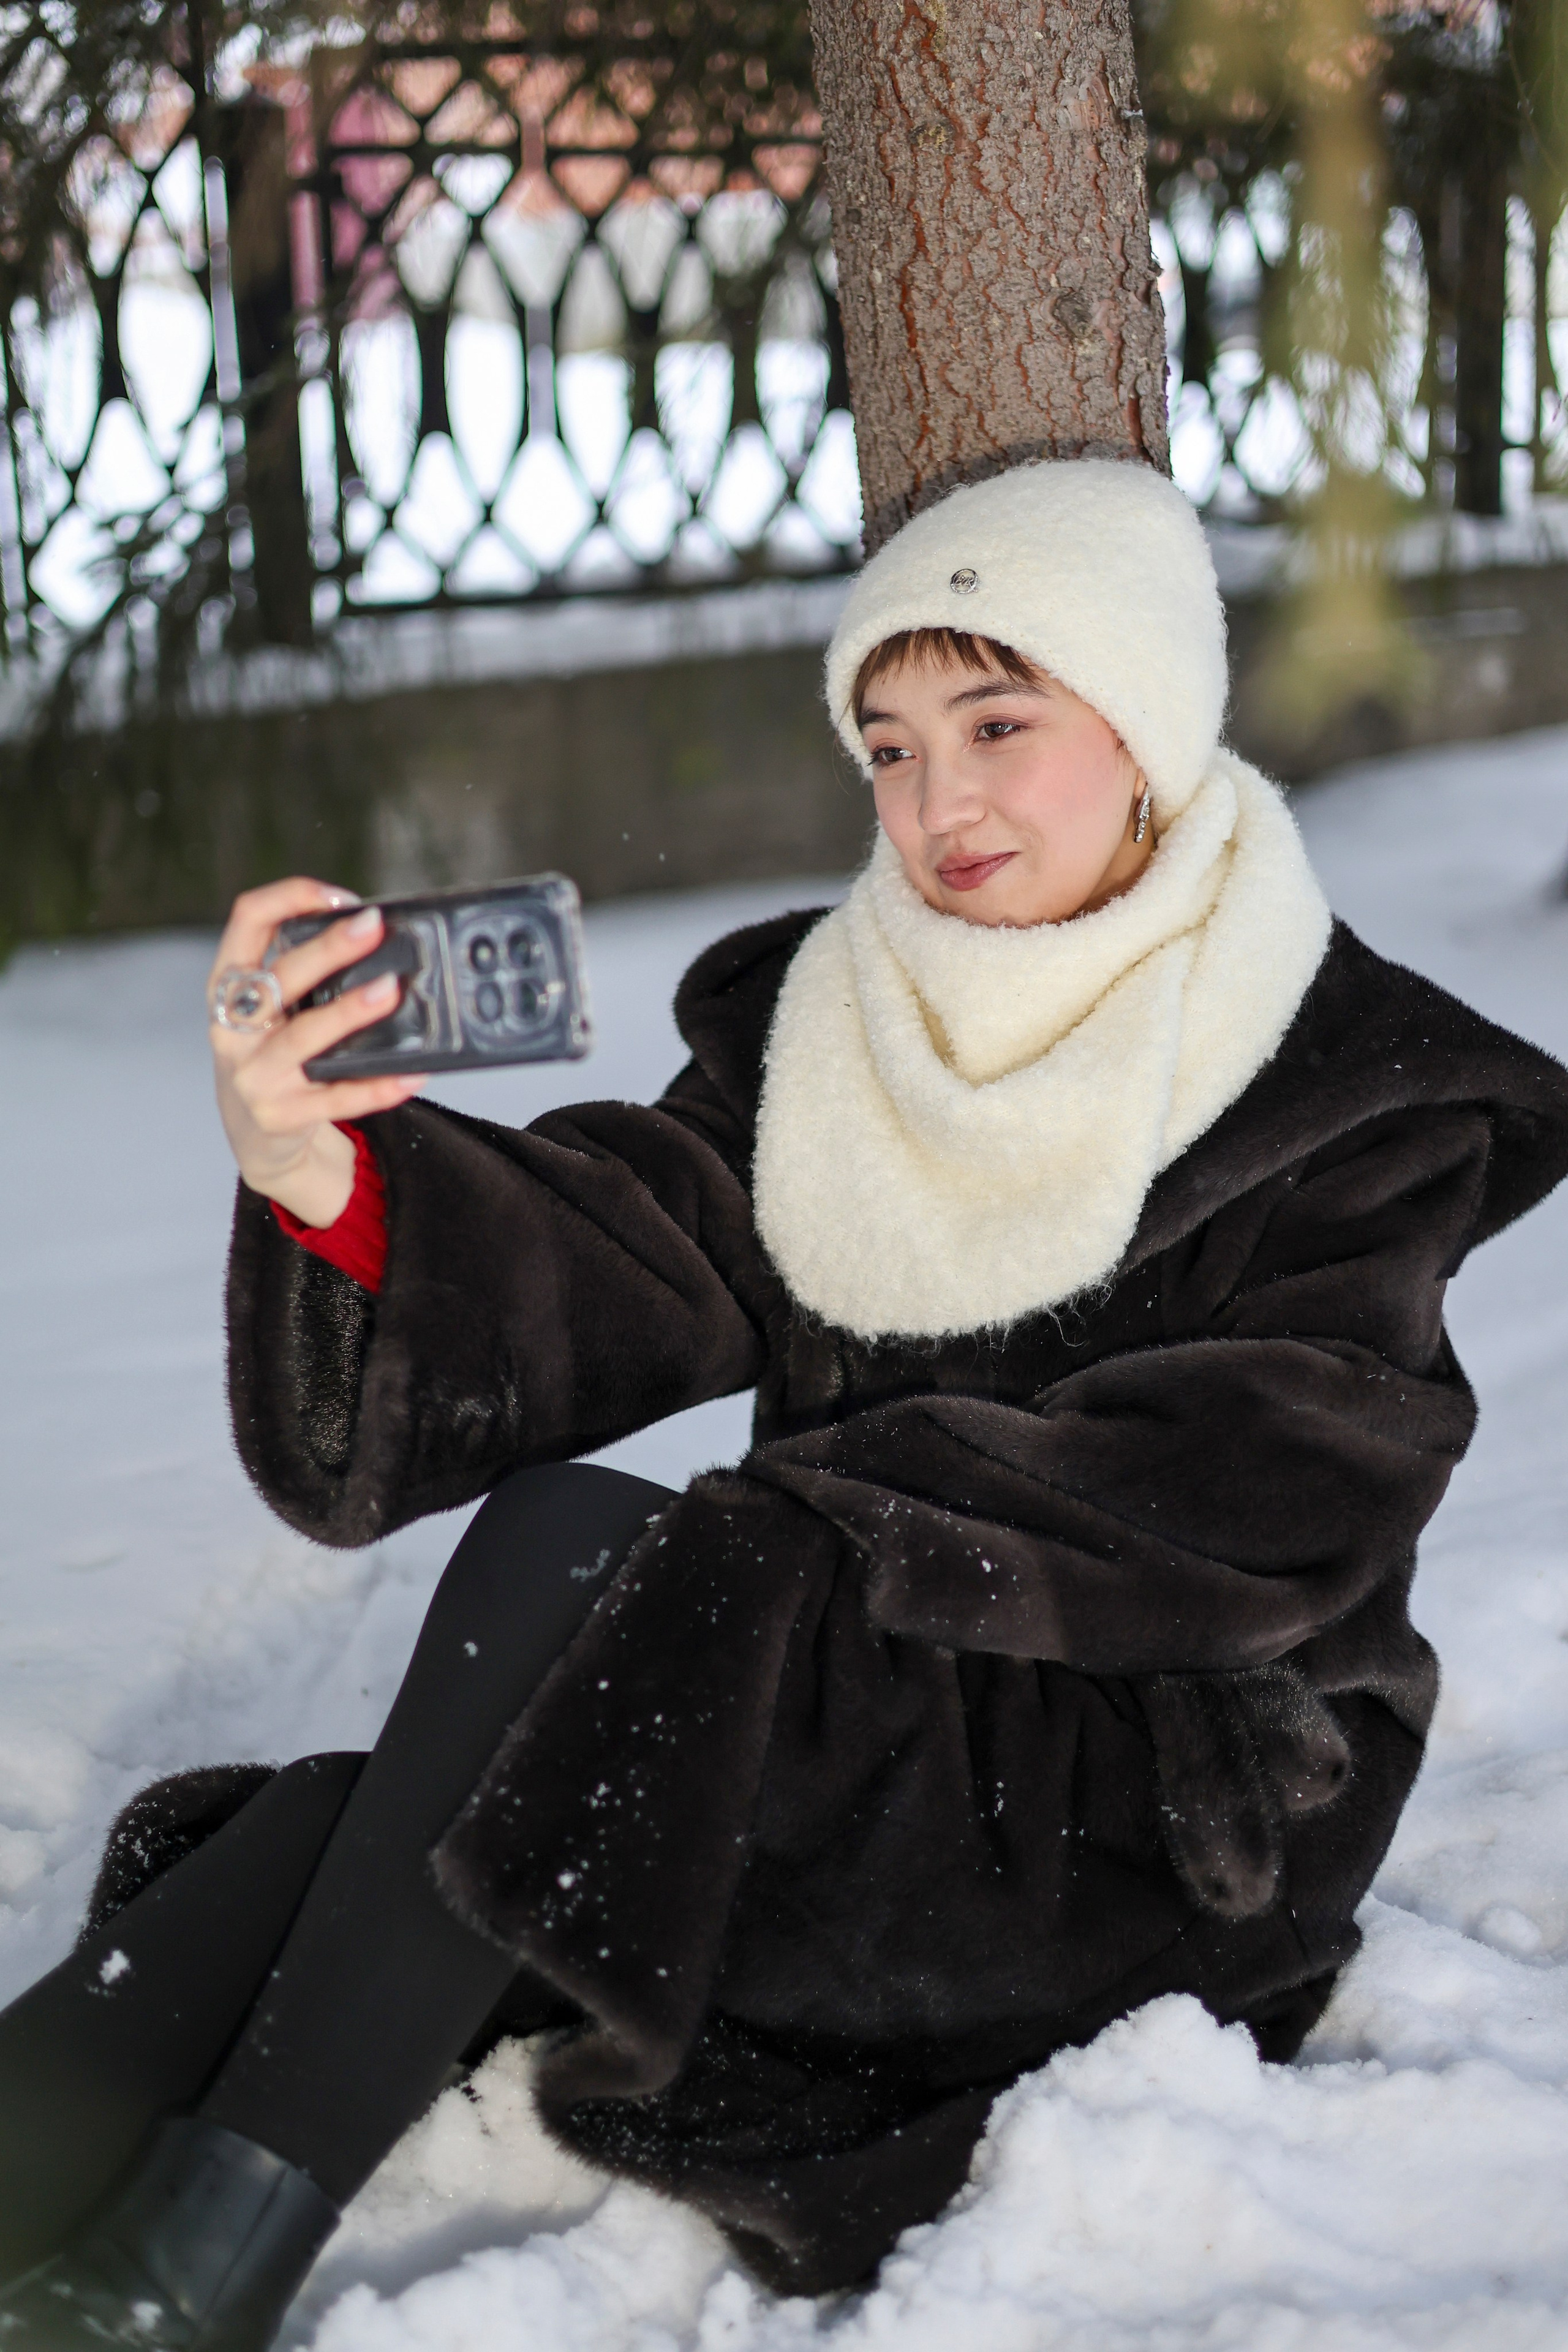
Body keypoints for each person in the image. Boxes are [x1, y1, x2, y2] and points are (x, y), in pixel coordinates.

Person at [3, 461, 1567, 2351]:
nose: (942, 801)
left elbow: (1273, 1484)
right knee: (387, 1826)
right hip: (851, 1731)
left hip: (1153, 1813)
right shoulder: (846, 1016)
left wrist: (794, 1543)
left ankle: (196, 2277)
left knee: (585, 1600)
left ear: (1145, 727)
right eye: (890, 748)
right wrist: (332, 1173)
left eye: (1002, 724)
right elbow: (641, 1245)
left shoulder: (1350, 1085)